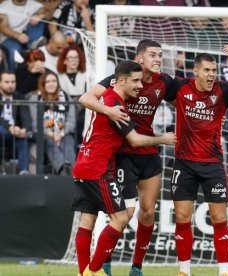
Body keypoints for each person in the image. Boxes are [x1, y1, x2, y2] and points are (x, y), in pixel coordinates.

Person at [79, 39, 181, 276]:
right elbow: (86, 98)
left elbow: (184, 104)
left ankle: (136, 267)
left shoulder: (164, 82)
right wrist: (108, 110)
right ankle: (103, 263)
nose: (158, 59)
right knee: (124, 214)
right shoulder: (120, 81)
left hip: (149, 155)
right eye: (153, 55)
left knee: (147, 212)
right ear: (139, 59)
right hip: (124, 154)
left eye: (160, 54)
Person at [172, 49, 228, 276]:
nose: (210, 75)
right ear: (194, 71)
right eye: (206, 70)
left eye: (214, 71)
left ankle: (223, 272)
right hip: (184, 163)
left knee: (219, 217)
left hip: (212, 163)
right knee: (182, 217)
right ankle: (184, 271)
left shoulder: (223, 90)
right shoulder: (180, 88)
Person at [27, 71, 77, 175]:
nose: (51, 84)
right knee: (50, 143)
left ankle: (73, 170)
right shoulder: (35, 98)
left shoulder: (66, 98)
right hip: (44, 135)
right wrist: (52, 135)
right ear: (43, 84)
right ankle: (62, 169)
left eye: (54, 81)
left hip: (63, 133)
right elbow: (36, 123)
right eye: (48, 81)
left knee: (68, 142)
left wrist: (61, 134)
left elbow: (71, 121)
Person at [0, 71, 31, 175]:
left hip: (14, 133)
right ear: (0, 83)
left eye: (13, 82)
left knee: (23, 137)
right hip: (4, 130)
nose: (10, 85)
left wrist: (24, 130)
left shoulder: (19, 97)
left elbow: (26, 116)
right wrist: (9, 127)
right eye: (7, 82)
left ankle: (24, 171)